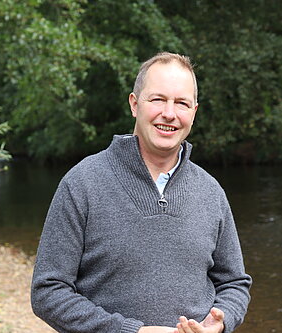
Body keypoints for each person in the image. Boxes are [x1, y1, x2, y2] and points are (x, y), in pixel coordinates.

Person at [31, 52, 252, 333]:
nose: (169, 114)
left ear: (194, 113)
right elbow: (47, 292)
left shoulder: (211, 192)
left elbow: (234, 283)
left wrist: (220, 323)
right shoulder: (82, 183)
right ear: (135, 105)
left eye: (181, 103)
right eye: (158, 99)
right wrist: (128, 331)